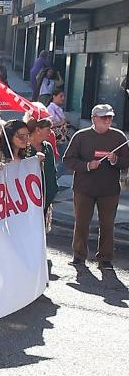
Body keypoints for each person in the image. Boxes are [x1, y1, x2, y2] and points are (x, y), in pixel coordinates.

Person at [62, 103, 128, 272]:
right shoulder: (81, 136)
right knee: (82, 223)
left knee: (107, 224)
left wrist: (114, 160)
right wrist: (87, 166)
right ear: (94, 118)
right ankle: (79, 255)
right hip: (84, 188)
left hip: (109, 189)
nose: (108, 121)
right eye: (104, 117)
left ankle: (105, 258)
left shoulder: (119, 137)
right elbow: (68, 160)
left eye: (110, 117)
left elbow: (126, 161)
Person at [27, 116, 61, 220]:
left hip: (46, 196)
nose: (50, 132)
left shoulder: (48, 147)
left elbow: (52, 170)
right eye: (48, 129)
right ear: (37, 130)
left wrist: (53, 189)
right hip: (28, 199)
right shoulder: (24, 148)